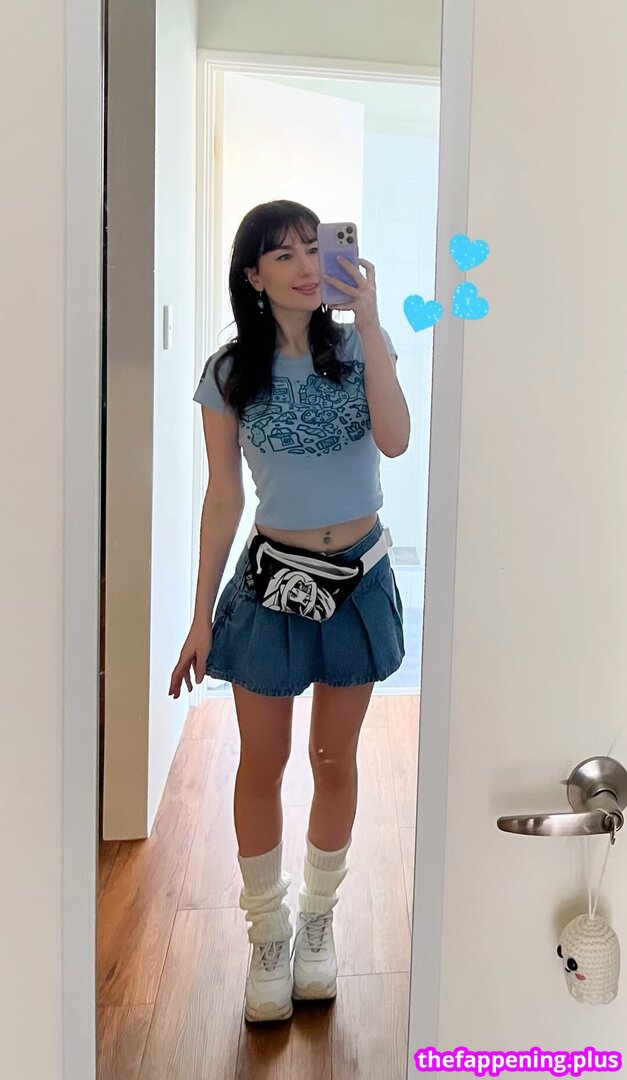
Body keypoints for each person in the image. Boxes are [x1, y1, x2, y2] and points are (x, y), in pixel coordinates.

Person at [169, 199, 409, 1023]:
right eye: (283, 255)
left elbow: (395, 439)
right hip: (270, 584)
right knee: (262, 762)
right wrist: (199, 614)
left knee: (334, 760)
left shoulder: (361, 345)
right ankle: (267, 932)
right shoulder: (229, 372)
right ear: (253, 276)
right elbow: (222, 498)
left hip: (357, 578)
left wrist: (367, 319)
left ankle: (317, 923)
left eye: (315, 247)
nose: (307, 266)